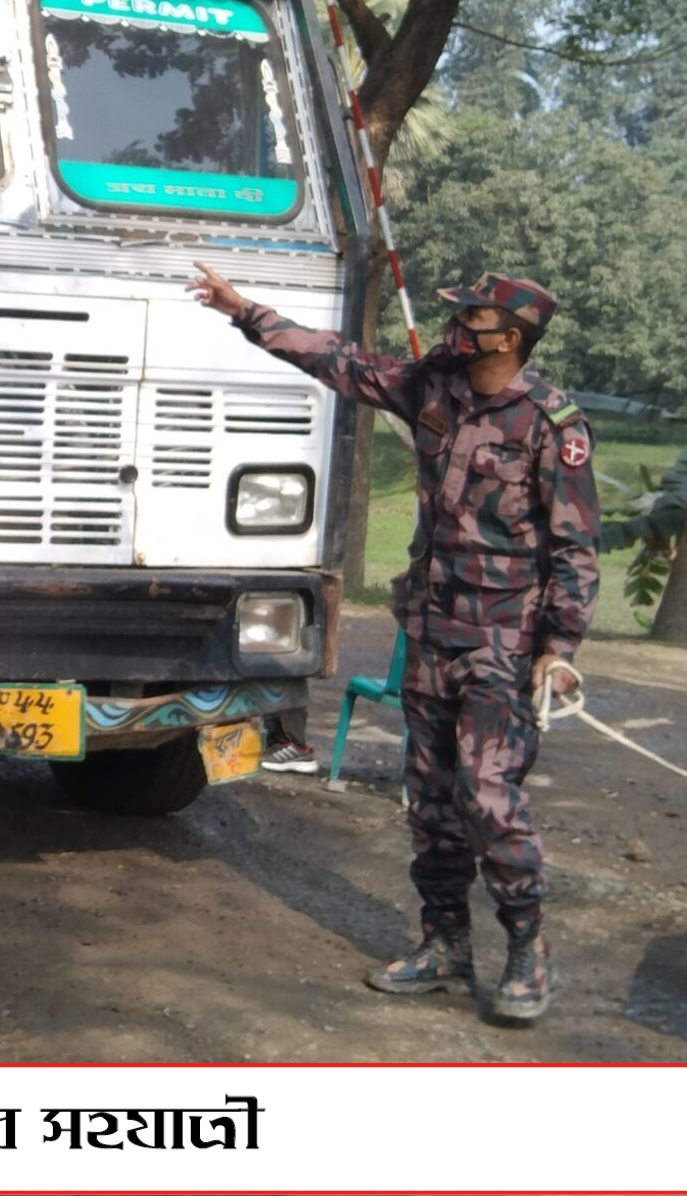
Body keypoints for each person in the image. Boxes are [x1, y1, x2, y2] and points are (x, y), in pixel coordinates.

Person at [188, 265, 599, 1023]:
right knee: (431, 802)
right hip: (432, 634)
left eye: (472, 317)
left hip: (502, 647)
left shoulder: (552, 425)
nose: (457, 326)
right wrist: (246, 311)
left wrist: (560, 647)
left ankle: (527, 949)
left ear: (508, 337)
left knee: (488, 798)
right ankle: (445, 946)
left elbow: (576, 549)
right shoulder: (432, 389)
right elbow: (338, 360)